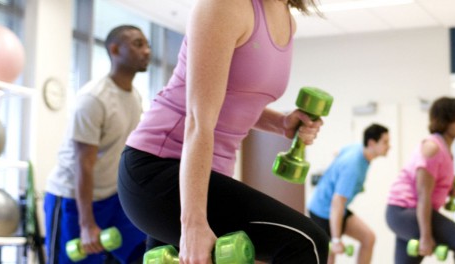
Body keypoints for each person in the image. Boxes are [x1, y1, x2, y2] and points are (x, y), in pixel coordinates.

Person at [117, 0, 328, 263]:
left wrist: (281, 122)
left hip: (206, 175)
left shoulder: (286, 19)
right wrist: (193, 223)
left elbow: (232, 98)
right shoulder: (224, 6)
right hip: (159, 168)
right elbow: (199, 117)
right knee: (305, 241)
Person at [44, 25, 151, 264]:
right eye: (138, 44)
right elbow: (84, 164)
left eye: (147, 44)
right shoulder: (93, 99)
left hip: (113, 197)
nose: (147, 51)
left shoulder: (135, 97)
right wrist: (86, 224)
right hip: (73, 199)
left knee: (142, 254)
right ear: (114, 49)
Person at [386, 97, 455, 264]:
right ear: (446, 120)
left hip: (407, 213)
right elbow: (423, 194)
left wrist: (449, 189)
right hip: (404, 212)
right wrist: (426, 236)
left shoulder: (445, 149)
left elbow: (433, 184)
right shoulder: (432, 148)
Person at [308, 123, 391, 264]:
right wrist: (336, 239)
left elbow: (337, 152)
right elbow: (337, 203)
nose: (389, 146)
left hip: (335, 208)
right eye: (385, 142)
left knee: (368, 238)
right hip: (322, 211)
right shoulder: (353, 167)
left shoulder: (358, 149)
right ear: (371, 143)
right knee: (329, 256)